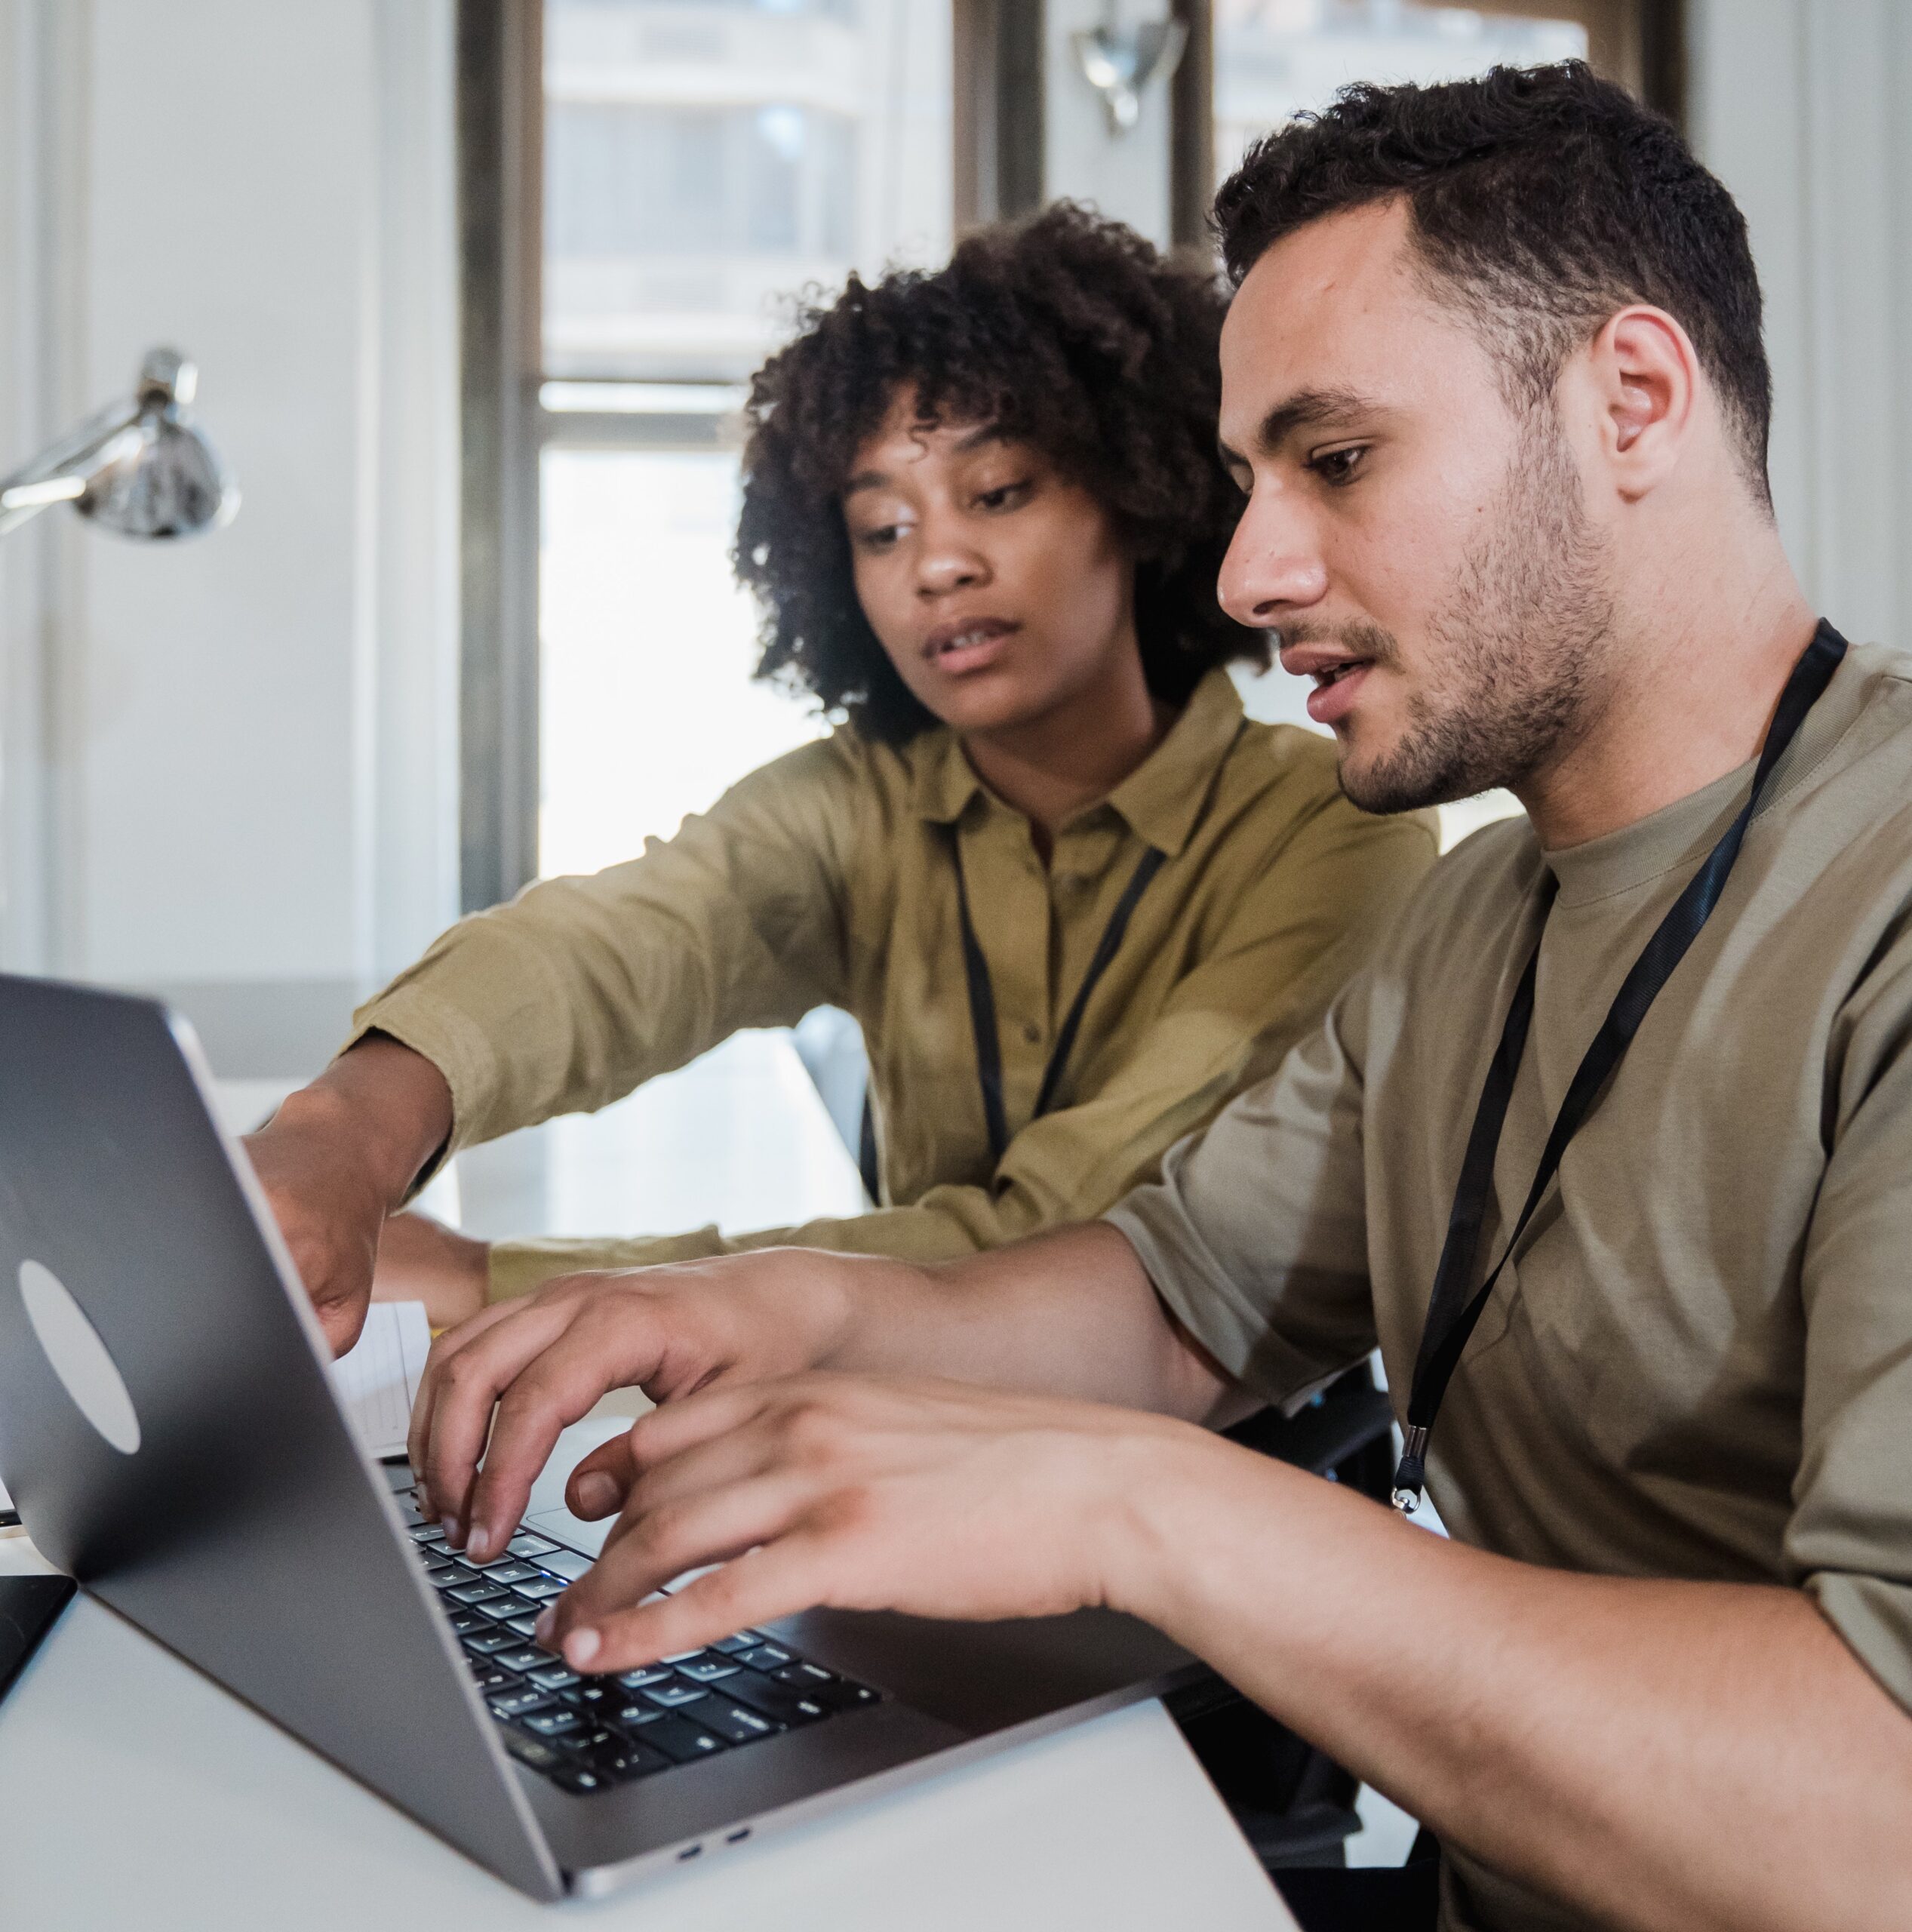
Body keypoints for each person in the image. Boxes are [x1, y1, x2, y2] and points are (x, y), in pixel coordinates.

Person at [397, 63, 1912, 1932]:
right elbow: (1171, 1304)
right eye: (1247, 480)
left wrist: (1132, 1505)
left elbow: (1880, 1816)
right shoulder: (1468, 922)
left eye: (1335, 458)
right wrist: (742, 1308)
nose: (1258, 567)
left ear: (1631, 402)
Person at [247, 204, 1435, 1358]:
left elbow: (1068, 1239)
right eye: (880, 529)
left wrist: (488, 1281)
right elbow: (620, 948)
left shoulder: (1331, 833)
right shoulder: (857, 804)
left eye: (998, 493)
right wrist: (347, 1125)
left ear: (1136, 494)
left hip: (1222, 1485)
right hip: (891, 1446)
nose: (938, 565)